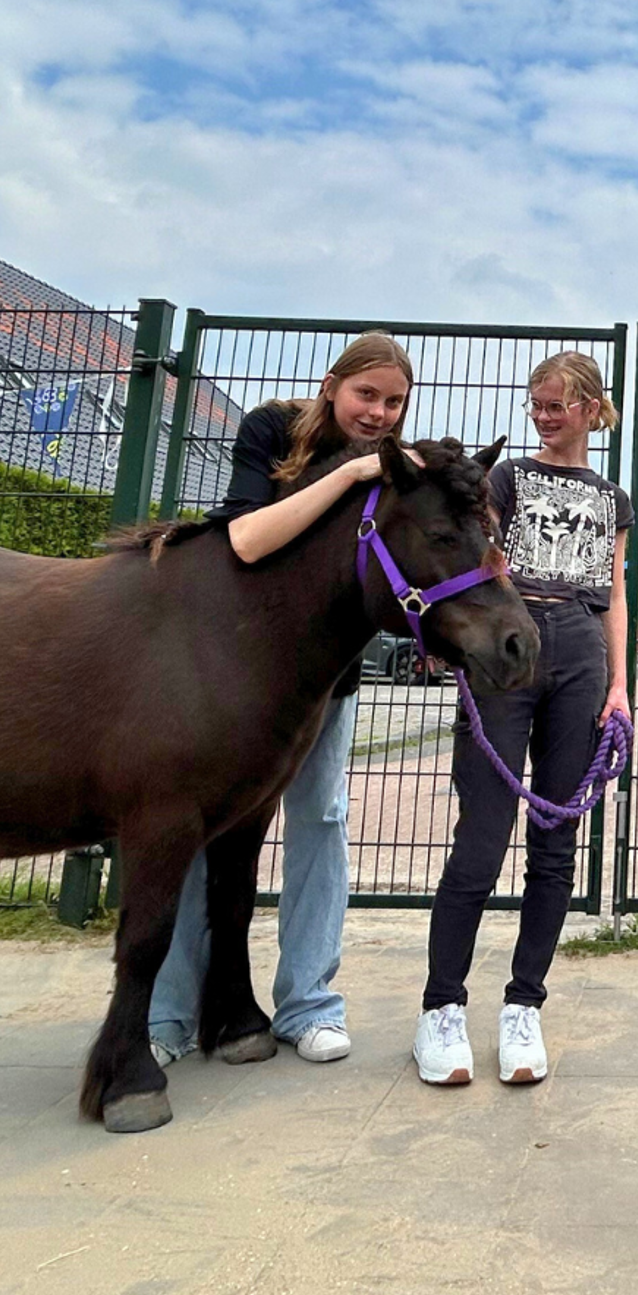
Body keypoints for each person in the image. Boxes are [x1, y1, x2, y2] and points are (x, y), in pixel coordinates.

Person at [148, 332, 416, 1068]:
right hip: (234, 683)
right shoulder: (271, 428)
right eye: (368, 395)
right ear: (332, 386)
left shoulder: (392, 464)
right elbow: (244, 539)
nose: (381, 413)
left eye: (395, 402)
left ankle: (307, 1004)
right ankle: (166, 1014)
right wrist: (352, 473)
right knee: (201, 830)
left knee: (321, 821)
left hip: (328, 682)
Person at [413, 351, 632, 1088]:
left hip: (580, 644)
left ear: (591, 408)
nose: (543, 416)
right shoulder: (508, 477)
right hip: (510, 640)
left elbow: (617, 593)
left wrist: (619, 686)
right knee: (481, 836)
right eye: (535, 404)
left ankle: (523, 1006)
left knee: (555, 842)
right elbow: (478, 556)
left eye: (557, 406)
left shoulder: (612, 497)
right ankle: (441, 1008)